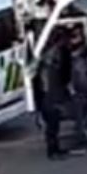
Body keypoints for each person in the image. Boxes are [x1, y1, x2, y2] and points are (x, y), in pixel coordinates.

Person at [36, 31, 69, 160]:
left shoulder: (47, 58)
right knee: (52, 127)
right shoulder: (51, 61)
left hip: (48, 98)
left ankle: (55, 149)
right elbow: (49, 83)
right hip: (49, 99)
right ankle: (53, 151)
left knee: (54, 126)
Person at [67, 30, 87, 156]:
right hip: (84, 91)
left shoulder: (78, 61)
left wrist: (76, 91)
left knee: (80, 118)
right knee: (81, 117)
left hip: (81, 92)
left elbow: (83, 79)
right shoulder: (81, 59)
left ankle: (81, 143)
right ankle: (82, 141)